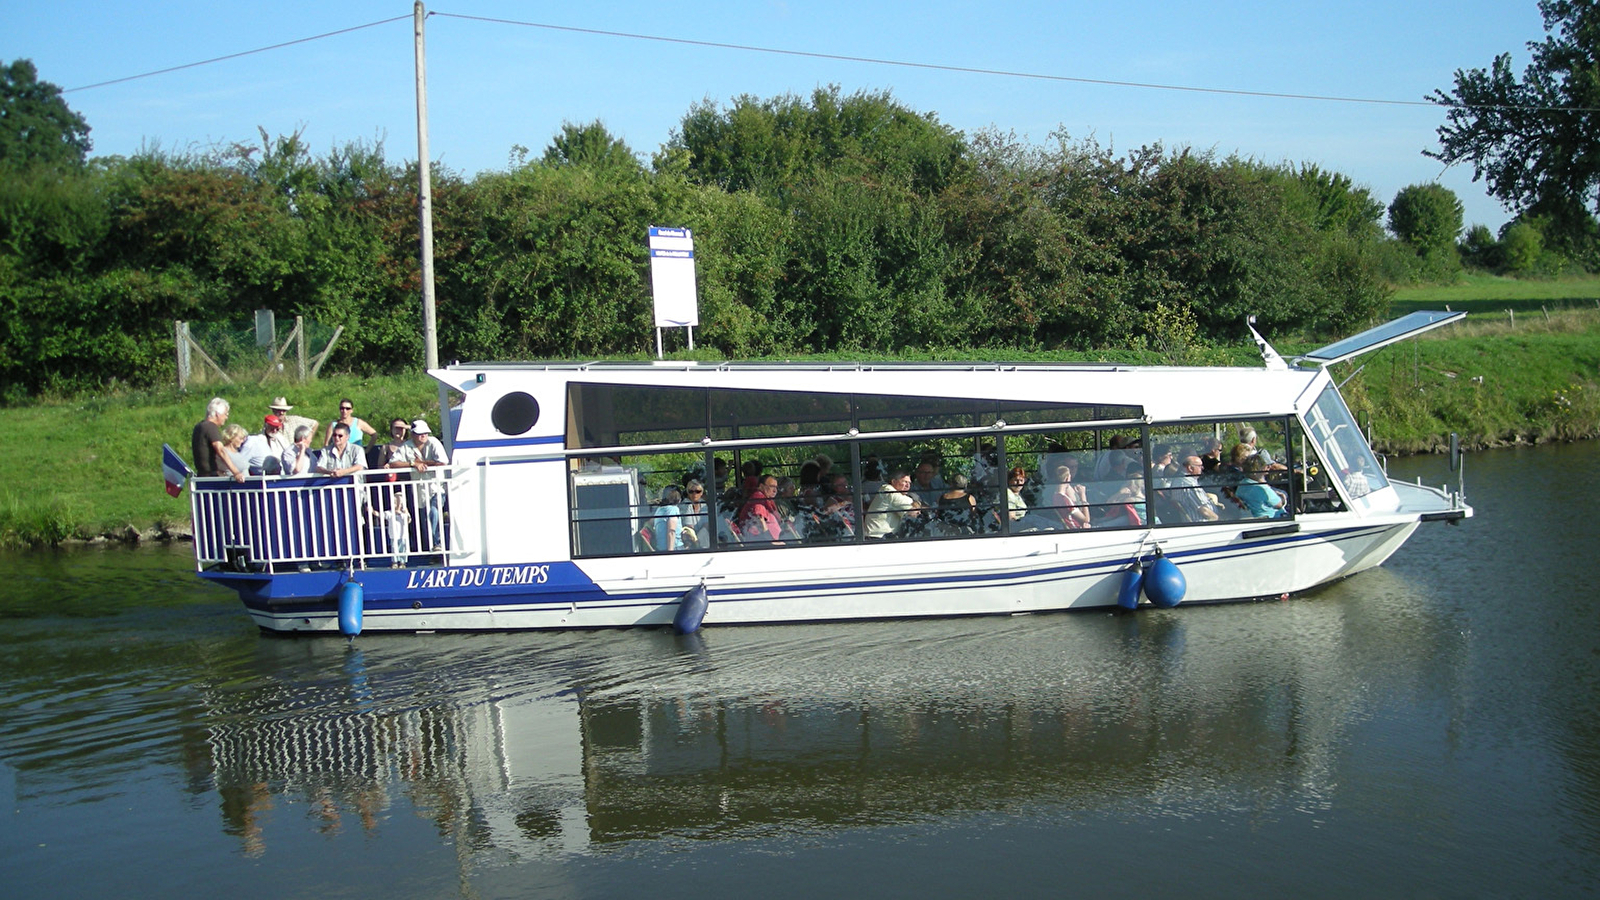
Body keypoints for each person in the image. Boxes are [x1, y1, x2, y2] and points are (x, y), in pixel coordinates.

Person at [389, 418, 449, 551]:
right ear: (412, 434)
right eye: (420, 433)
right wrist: (412, 464)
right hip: (419, 491)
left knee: (434, 512)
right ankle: (433, 550)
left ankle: (438, 544)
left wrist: (423, 463)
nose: (423, 436)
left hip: (436, 487)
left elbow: (442, 462)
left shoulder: (434, 442)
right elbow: (393, 463)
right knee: (425, 522)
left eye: (425, 433)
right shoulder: (407, 445)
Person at [192, 397, 245, 482]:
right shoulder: (211, 427)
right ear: (217, 414)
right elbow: (220, 450)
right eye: (225, 414)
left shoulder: (198, 427)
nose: (226, 417)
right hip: (213, 477)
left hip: (202, 476)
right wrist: (236, 473)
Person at [865, 469, 924, 539]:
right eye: (905, 482)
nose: (908, 485)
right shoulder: (889, 491)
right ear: (894, 481)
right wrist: (917, 504)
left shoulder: (893, 493)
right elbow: (913, 511)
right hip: (877, 538)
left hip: (882, 537)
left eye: (909, 483)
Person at [737, 474, 784, 543]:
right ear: (761, 486)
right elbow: (761, 522)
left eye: (776, 487)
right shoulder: (758, 500)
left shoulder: (768, 501)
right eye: (771, 486)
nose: (775, 490)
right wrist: (772, 542)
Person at [1049, 460, 1092, 529]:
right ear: (1067, 478)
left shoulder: (1055, 496)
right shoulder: (1065, 500)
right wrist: (1083, 496)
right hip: (1076, 528)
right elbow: (1086, 520)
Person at [680, 479, 710, 549]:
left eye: (697, 491)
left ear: (701, 493)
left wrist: (699, 538)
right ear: (688, 492)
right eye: (691, 491)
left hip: (702, 536)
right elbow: (689, 526)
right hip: (688, 537)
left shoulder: (703, 504)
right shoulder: (685, 505)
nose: (694, 494)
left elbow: (706, 524)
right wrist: (696, 540)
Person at [653, 487, 686, 551]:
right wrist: (670, 552)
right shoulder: (673, 509)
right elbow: (671, 531)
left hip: (660, 547)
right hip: (674, 547)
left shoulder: (659, 510)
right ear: (679, 499)